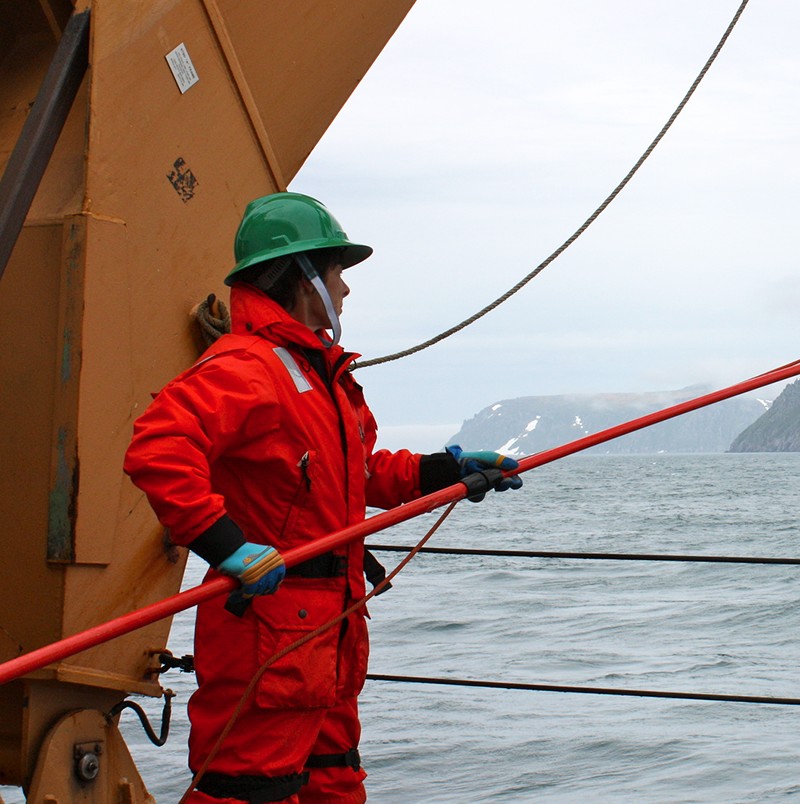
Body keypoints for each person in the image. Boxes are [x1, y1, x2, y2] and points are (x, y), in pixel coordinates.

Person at [124, 192, 519, 803]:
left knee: (334, 781)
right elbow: (158, 447)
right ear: (303, 277)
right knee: (244, 791)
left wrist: (448, 470)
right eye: (338, 273)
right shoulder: (247, 367)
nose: (346, 291)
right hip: (268, 635)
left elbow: (358, 474)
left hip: (326, 632)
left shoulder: (315, 375)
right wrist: (226, 547)